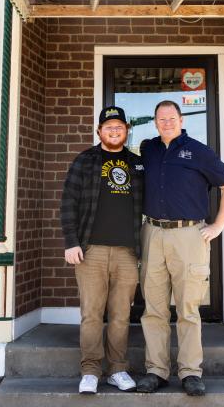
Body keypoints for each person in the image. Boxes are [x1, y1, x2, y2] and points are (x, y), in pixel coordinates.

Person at [136, 100, 224, 397]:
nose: (166, 122)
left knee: (188, 308)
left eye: (171, 118)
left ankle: (190, 372)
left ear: (180, 120)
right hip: (152, 232)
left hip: (188, 235)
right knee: (153, 308)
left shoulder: (200, 151)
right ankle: (156, 370)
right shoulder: (148, 149)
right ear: (155, 122)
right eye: (161, 118)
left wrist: (218, 226)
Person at [60, 105, 144, 395]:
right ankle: (91, 371)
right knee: (92, 314)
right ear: (99, 131)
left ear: (126, 131)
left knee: (121, 315)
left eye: (119, 126)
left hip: (127, 252)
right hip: (91, 250)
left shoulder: (137, 164)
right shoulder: (85, 161)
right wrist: (71, 241)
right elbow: (68, 202)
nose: (114, 130)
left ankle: (118, 369)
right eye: (108, 126)